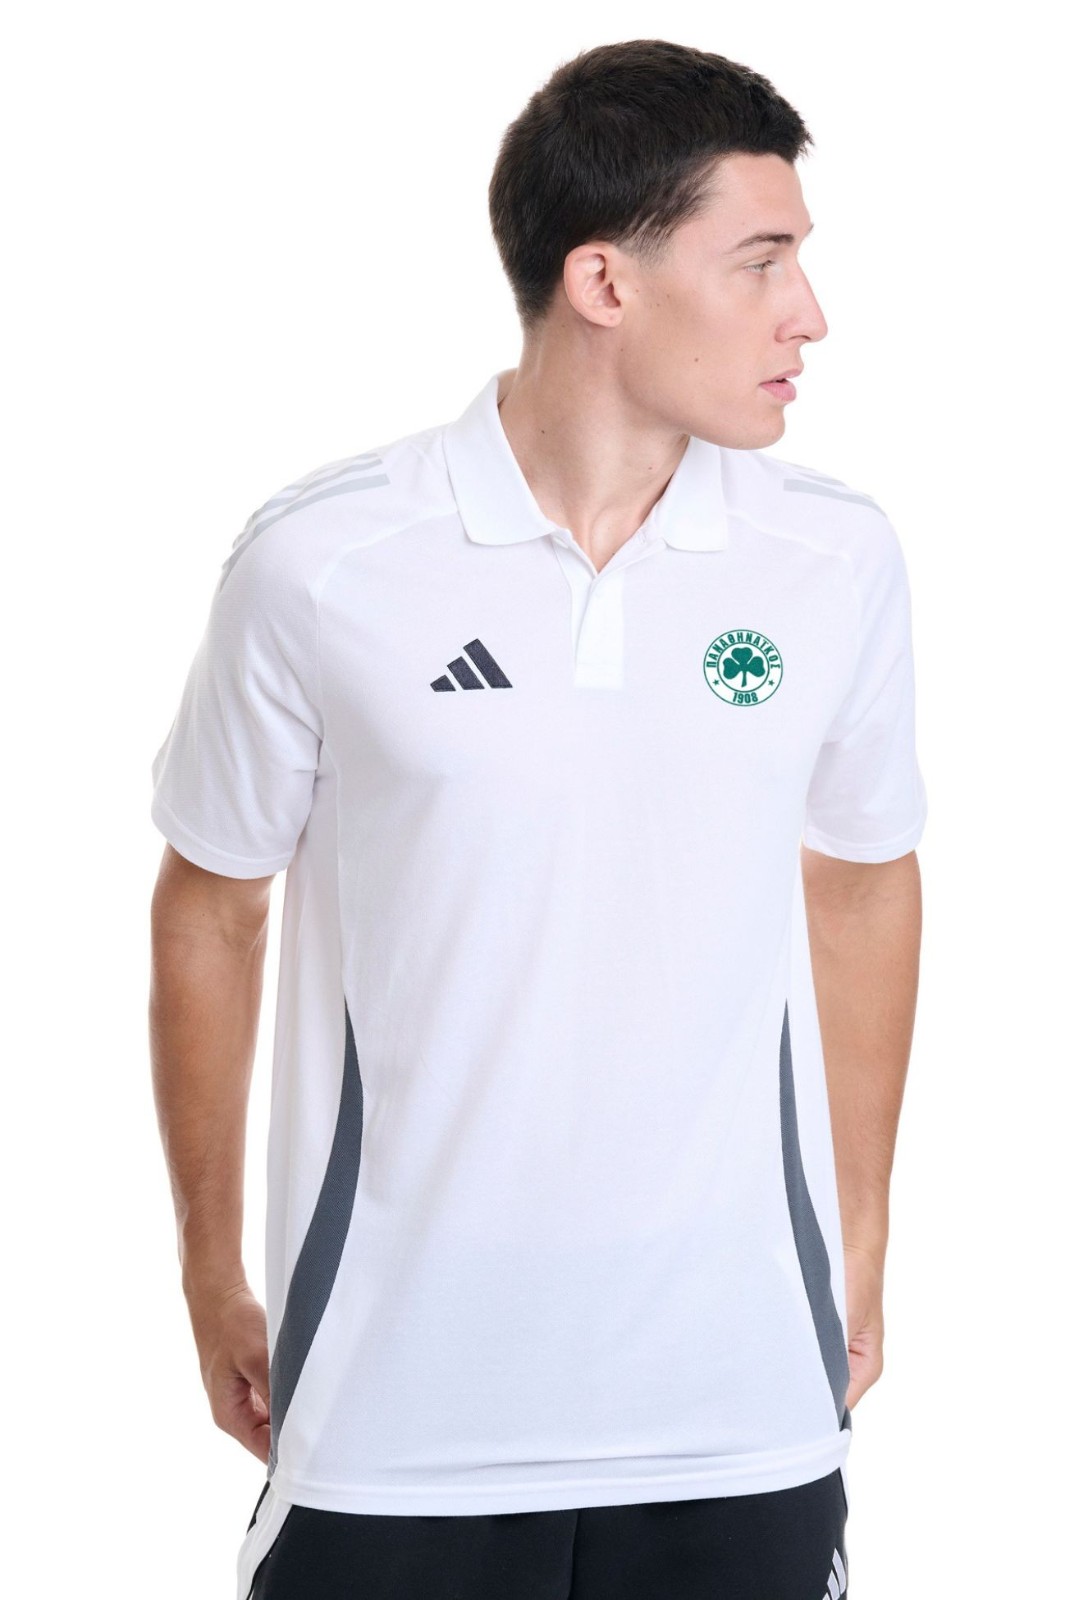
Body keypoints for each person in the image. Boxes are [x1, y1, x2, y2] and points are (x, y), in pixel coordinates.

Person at [149, 37, 925, 1600]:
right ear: (603, 280)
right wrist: (210, 1271)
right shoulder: (324, 562)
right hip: (391, 1414)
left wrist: (856, 1233)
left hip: (735, 1411)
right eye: (761, 260)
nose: (808, 314)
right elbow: (212, 908)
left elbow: (860, 883)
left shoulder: (832, 560)